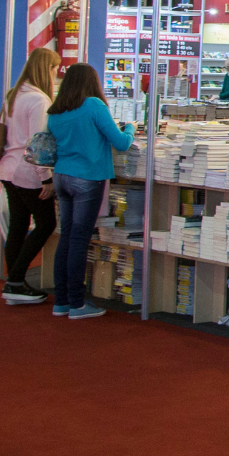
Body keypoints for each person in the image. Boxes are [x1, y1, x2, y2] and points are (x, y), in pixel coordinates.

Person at [44, 63, 134, 319]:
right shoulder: (94, 105)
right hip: (87, 177)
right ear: (92, 81)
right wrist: (130, 128)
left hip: (61, 176)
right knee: (79, 241)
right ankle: (77, 303)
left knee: (67, 237)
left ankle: (61, 301)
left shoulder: (56, 111)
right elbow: (121, 143)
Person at [0, 48, 61, 305]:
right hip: (27, 172)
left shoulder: (14, 95)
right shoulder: (39, 100)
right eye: (55, 69)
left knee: (18, 227)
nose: (56, 75)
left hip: (8, 167)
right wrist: (45, 178)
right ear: (47, 70)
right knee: (46, 223)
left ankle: (15, 282)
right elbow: (38, 144)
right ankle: (15, 280)